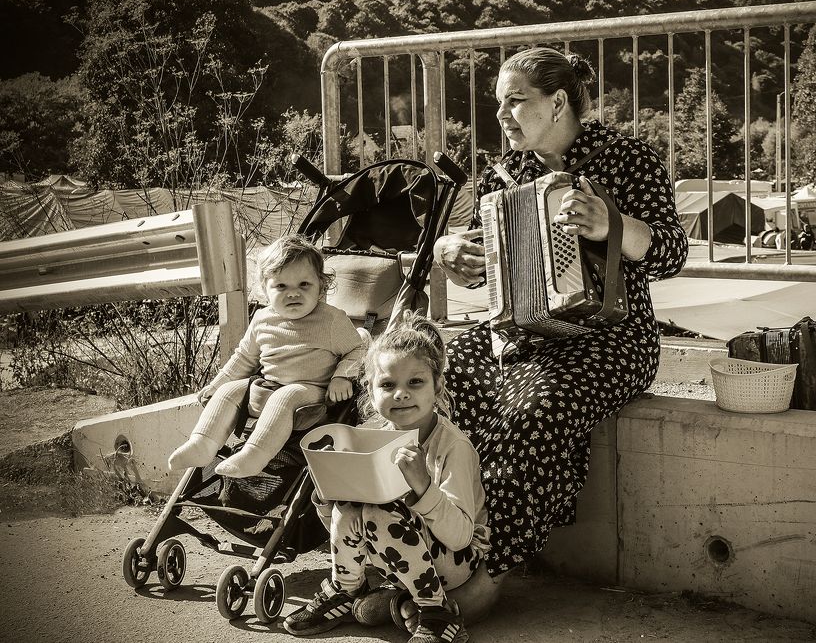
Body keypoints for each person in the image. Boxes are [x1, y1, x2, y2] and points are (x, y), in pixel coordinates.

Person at [369, 46, 689, 629]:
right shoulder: (506, 171)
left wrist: (611, 225)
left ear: (558, 102)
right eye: (500, 105)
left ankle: (487, 573)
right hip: (521, 334)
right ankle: (415, 556)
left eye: (516, 101)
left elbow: (672, 251)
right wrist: (451, 253)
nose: (503, 116)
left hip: (609, 339)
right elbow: (474, 246)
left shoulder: (626, 156)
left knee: (535, 411)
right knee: (440, 380)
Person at [283, 311, 489, 643]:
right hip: (393, 561)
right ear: (370, 389)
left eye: (416, 382)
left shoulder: (453, 446)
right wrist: (326, 497)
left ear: (438, 387)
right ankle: (347, 587)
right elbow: (346, 526)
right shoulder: (368, 437)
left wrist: (423, 485)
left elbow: (461, 537)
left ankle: (438, 612)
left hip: (454, 563)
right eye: (388, 384)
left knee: (378, 511)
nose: (401, 394)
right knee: (349, 501)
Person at [168, 234, 363, 478]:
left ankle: (254, 456)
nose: (293, 293)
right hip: (268, 386)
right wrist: (216, 385)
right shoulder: (263, 319)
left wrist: (342, 376)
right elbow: (244, 358)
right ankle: (202, 443)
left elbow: (359, 349)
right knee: (229, 392)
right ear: (265, 290)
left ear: (321, 286)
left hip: (313, 392)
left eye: (304, 285)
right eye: (281, 286)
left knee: (286, 395)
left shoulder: (331, 320)